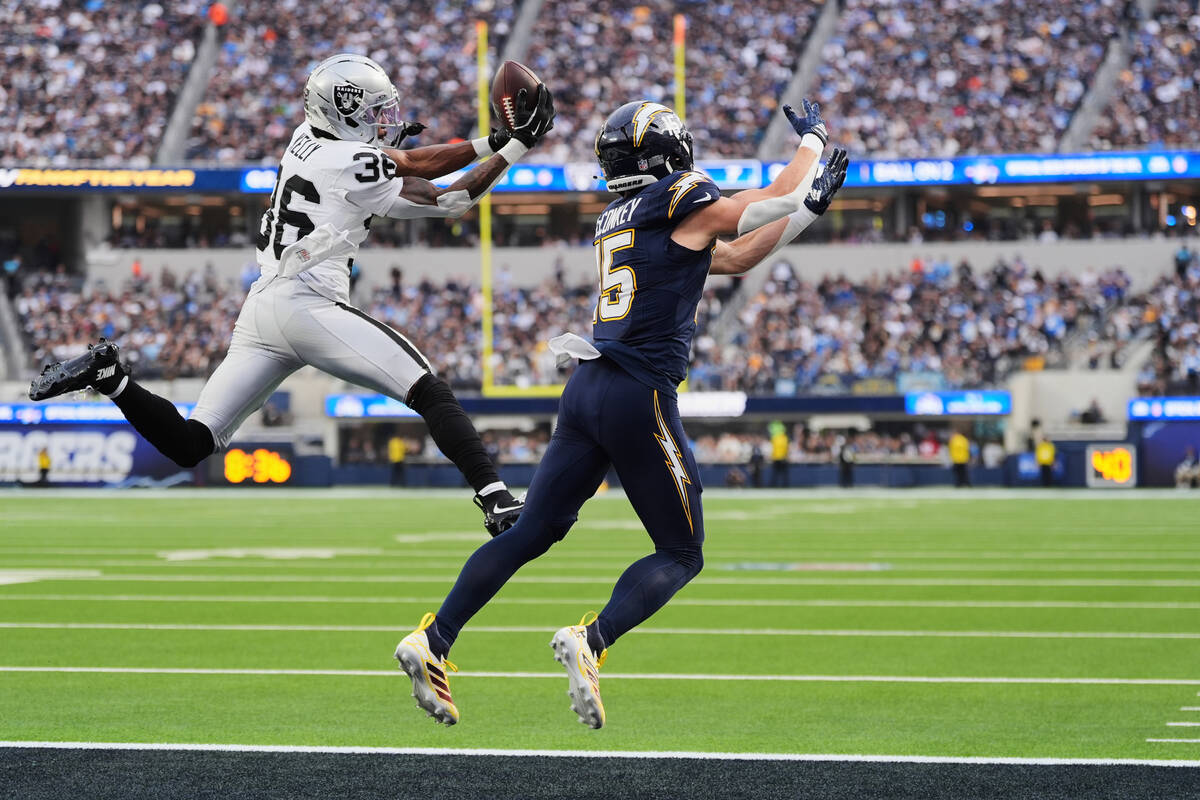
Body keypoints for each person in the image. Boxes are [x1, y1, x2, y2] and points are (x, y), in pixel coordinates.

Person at [395, 98, 849, 727]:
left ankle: (434, 638)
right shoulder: (679, 195)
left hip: (587, 388)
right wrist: (812, 143)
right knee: (682, 552)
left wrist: (808, 212)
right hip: (639, 392)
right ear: (668, 152)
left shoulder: (618, 217)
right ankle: (592, 639)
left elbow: (736, 257)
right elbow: (769, 201)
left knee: (533, 530)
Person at [28, 54, 556, 535]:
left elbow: (448, 199)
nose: (383, 121)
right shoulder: (346, 160)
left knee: (192, 442)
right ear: (344, 110)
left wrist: (501, 148)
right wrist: (506, 142)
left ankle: (111, 377)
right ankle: (497, 498)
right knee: (429, 391)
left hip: (262, 309)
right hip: (308, 306)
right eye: (374, 111)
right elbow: (422, 167)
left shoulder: (307, 138)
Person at [769, 421, 790, 487]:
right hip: (776, 458)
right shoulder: (775, 438)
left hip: (782, 458)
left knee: (783, 474)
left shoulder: (784, 438)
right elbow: (772, 448)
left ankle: (784, 485)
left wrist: (786, 456)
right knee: (776, 473)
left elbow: (786, 448)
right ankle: (774, 485)